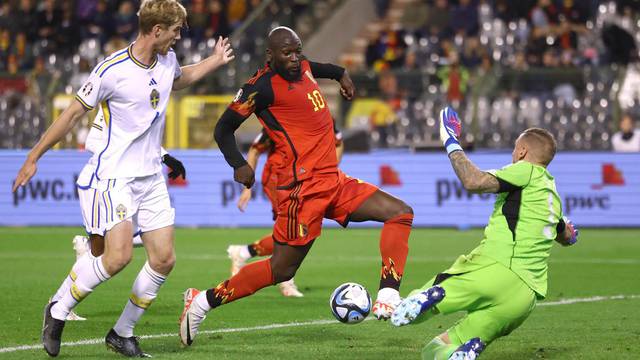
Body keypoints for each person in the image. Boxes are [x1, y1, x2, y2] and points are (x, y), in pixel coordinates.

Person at [12, 0, 233, 357]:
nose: (179, 37)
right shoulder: (110, 70)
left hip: (150, 178)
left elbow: (181, 78)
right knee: (116, 258)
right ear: (156, 30)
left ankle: (122, 333)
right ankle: (58, 307)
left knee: (163, 259)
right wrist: (33, 156)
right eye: (176, 30)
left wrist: (214, 61)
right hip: (114, 177)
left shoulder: (167, 61)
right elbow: (70, 115)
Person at [179, 26, 414, 346]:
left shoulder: (301, 66)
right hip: (302, 191)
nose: (294, 59)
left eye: (297, 51)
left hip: (333, 181)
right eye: (286, 53)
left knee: (400, 213)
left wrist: (341, 74)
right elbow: (223, 130)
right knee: (281, 270)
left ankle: (388, 295)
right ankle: (202, 301)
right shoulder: (259, 88)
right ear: (270, 55)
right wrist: (239, 164)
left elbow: (320, 68)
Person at [390, 107, 579, 360]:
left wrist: (451, 142)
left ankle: (431, 296)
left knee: (406, 311)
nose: (513, 153)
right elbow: (565, 237)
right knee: (435, 351)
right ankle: (463, 351)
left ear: (522, 151)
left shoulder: (525, 170)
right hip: (523, 300)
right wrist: (569, 233)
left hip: (496, 269)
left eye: (515, 148)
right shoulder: (552, 197)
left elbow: (474, 181)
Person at [52, 151, 186, 322]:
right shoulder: (106, 124)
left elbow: (140, 134)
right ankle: (57, 303)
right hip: (99, 181)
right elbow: (107, 140)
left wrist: (165, 156)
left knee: (153, 245)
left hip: (129, 179)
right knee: (99, 252)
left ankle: (120, 330)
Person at [228, 126, 344, 297]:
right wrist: (248, 186)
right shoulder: (278, 119)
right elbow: (254, 150)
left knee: (303, 229)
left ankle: (243, 252)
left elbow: (339, 143)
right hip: (278, 179)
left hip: (305, 180)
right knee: (292, 228)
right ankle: (286, 281)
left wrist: (330, 168)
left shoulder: (321, 114)